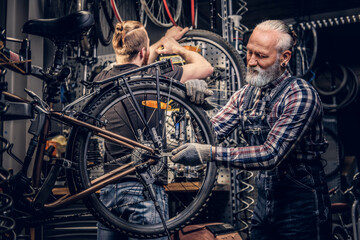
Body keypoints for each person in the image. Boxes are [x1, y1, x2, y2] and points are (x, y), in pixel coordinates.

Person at [171, 19, 332, 240]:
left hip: (301, 207)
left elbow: (270, 155)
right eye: (249, 53)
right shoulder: (244, 96)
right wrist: (194, 107)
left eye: (261, 56)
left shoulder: (300, 95)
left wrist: (209, 153)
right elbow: (207, 135)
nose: (251, 62)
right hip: (264, 203)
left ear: (284, 58)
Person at [94, 20, 213, 240]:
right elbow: (206, 67)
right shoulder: (155, 78)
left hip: (108, 192)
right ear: (143, 50)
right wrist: (175, 48)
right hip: (144, 190)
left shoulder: (101, 80)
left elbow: (135, 63)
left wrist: (159, 42)